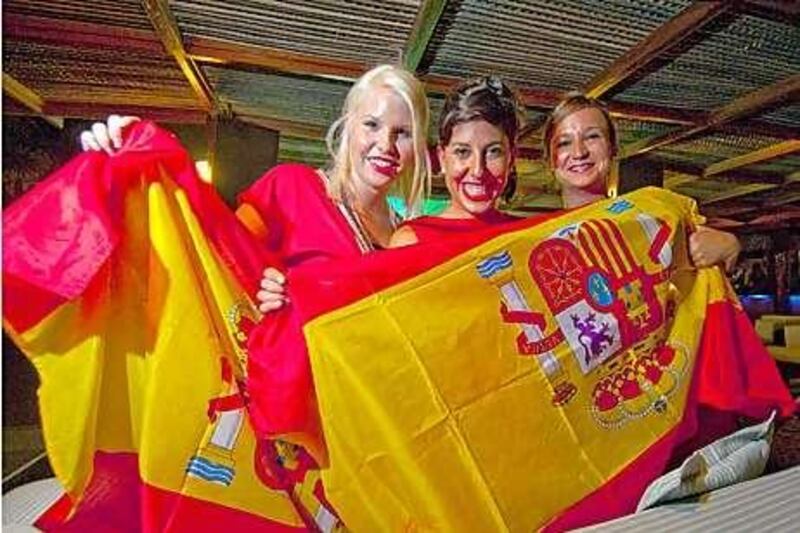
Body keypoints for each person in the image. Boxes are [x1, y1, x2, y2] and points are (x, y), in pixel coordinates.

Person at [81, 64, 432, 313]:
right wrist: (154, 160)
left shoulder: (407, 235)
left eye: (401, 133)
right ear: (348, 127)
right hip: (289, 405)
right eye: (372, 125)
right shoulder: (293, 187)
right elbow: (216, 253)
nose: (385, 144)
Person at [543, 92, 741, 271]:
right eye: (564, 143)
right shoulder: (536, 239)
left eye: (592, 136)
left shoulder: (649, 221)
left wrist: (728, 244)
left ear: (612, 149)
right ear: (550, 158)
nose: (579, 152)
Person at [390, 76, 522, 247]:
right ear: (442, 158)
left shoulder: (531, 239)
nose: (477, 170)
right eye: (462, 151)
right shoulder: (412, 242)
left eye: (493, 152)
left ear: (511, 158)